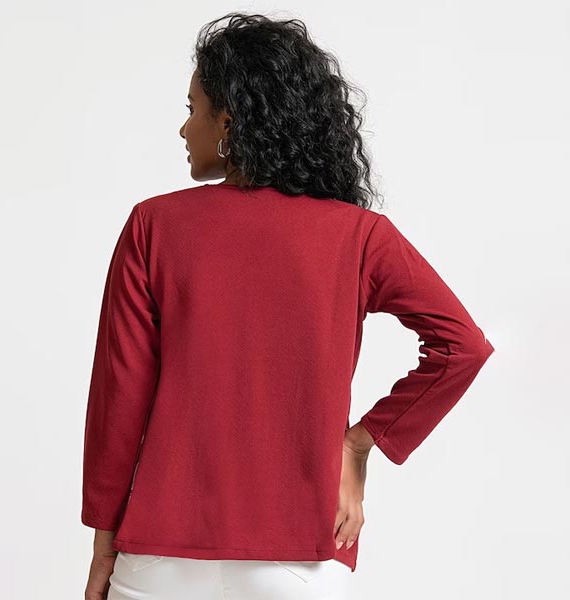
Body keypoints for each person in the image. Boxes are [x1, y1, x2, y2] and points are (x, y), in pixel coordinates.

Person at [82, 12, 495, 600]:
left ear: (229, 121)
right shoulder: (359, 235)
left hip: (160, 552)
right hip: (302, 555)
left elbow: (118, 399)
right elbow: (463, 347)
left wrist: (104, 543)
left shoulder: (154, 225)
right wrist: (359, 443)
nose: (183, 127)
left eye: (193, 109)